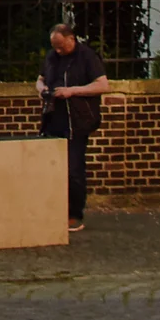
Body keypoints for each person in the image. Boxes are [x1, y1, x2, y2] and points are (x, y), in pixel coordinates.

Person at [38, 22, 110, 230]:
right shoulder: (52, 57)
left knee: (73, 168)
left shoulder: (86, 56)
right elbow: (40, 79)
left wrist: (72, 91)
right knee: (53, 167)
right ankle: (54, 210)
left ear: (71, 39)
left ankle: (74, 213)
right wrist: (42, 89)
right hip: (54, 118)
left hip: (77, 120)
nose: (58, 50)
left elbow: (103, 85)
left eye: (61, 45)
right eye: (55, 46)